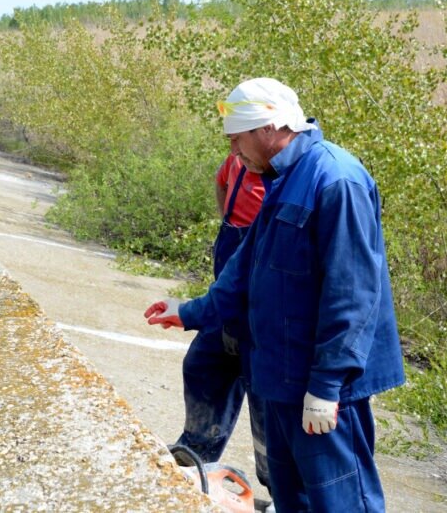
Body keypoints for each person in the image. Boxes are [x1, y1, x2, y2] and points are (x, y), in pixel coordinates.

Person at [145, 78, 405, 512]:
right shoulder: (283, 179)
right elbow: (245, 270)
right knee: (293, 499)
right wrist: (189, 311)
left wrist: (326, 386)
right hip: (282, 379)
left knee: (340, 502)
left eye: (237, 140)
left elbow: (354, 293)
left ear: (266, 128)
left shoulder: (336, 181)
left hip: (320, 390)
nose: (234, 154)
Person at [175, 152, 271, 490]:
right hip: (227, 300)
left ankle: (284, 490)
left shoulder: (284, 175)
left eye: (239, 136)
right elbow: (222, 184)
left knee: (266, 397)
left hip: (264, 310)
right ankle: (194, 459)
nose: (234, 144)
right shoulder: (238, 159)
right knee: (204, 364)